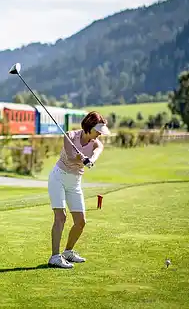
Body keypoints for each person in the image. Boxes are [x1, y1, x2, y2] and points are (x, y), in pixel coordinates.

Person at [47, 111, 110, 269]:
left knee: (80, 222)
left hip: (75, 182)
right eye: (97, 131)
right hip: (58, 178)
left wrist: (90, 160)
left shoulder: (97, 143)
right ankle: (55, 257)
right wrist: (80, 157)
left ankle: (68, 252)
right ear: (89, 127)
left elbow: (96, 154)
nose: (99, 135)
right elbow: (69, 155)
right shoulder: (70, 135)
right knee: (61, 216)